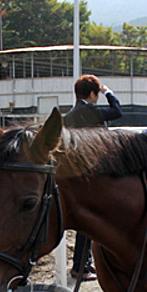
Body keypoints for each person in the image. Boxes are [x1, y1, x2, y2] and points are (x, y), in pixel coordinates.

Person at [64, 74, 123, 280]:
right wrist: (110, 93)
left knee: (85, 221)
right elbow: (118, 111)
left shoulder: (69, 116)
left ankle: (82, 264)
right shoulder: (93, 111)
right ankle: (86, 265)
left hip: (78, 173)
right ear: (92, 93)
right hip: (98, 173)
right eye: (97, 93)